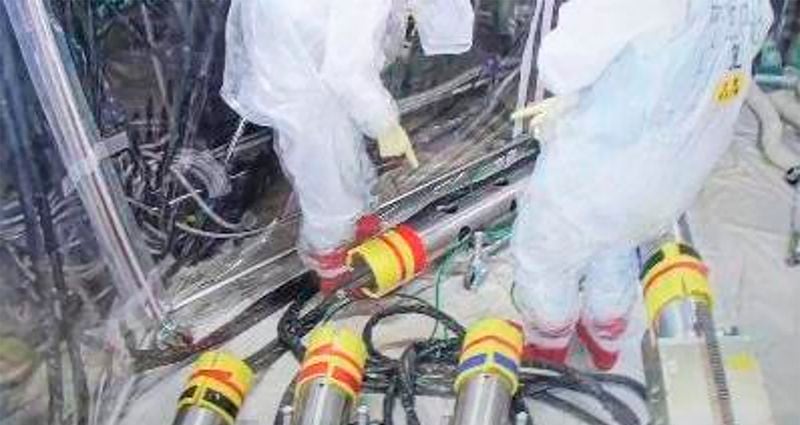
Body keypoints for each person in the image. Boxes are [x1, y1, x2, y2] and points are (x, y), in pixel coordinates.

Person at [511, 0, 773, 370]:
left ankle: (549, 342)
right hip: (679, 173)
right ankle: (606, 334)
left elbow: (561, 66)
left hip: (604, 166)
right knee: (618, 245)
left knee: (546, 251)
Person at [221, 0, 474, 293]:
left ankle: (356, 230)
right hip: (300, 64)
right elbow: (347, 73)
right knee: (326, 172)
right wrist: (386, 124)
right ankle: (336, 267)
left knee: (337, 143)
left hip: (299, 43)